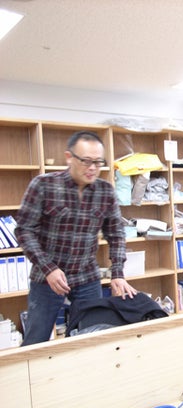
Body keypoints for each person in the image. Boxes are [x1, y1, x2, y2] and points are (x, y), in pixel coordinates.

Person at [15, 130, 137, 345]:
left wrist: (117, 273)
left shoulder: (105, 191)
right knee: (36, 339)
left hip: (87, 276)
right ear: (69, 157)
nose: (93, 168)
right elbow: (24, 230)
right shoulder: (43, 185)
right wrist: (49, 269)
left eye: (98, 162)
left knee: (93, 337)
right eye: (86, 161)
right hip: (47, 278)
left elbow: (116, 233)